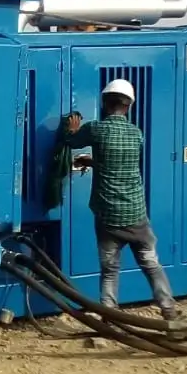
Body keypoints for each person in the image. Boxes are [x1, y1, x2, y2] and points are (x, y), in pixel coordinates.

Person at [61, 78, 178, 320]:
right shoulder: (137, 134)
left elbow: (71, 142)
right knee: (151, 265)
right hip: (136, 217)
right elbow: (121, 164)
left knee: (110, 271)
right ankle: (169, 309)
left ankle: (110, 316)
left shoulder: (96, 129)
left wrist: (72, 130)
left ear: (105, 104)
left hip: (108, 218)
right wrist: (94, 162)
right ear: (129, 106)